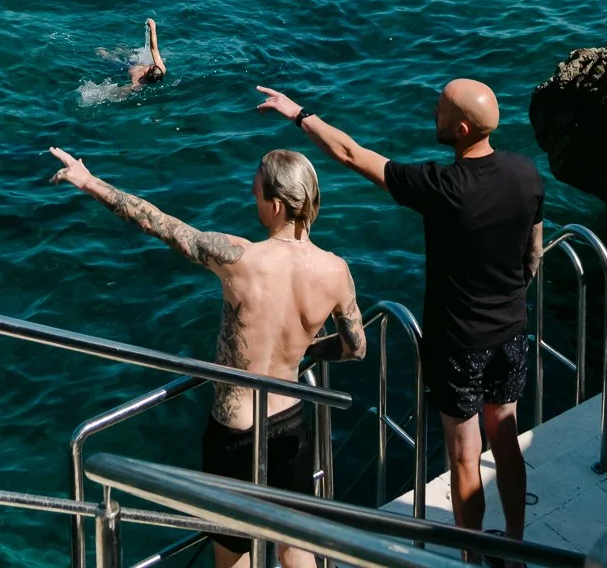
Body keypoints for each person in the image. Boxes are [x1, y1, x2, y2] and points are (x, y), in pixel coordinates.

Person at [49, 143, 365, 568]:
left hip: (234, 432)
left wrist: (89, 182)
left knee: (234, 552)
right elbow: (354, 347)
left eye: (255, 195)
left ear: (274, 205)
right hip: (290, 422)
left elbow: (158, 223)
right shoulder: (336, 270)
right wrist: (309, 347)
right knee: (295, 545)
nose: (252, 200)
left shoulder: (240, 258)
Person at [257, 80, 542, 544]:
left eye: (441, 111)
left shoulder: (442, 186)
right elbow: (533, 253)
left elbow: (351, 154)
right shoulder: (527, 174)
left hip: (458, 343)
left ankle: (472, 556)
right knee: (506, 439)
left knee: (466, 456)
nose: (434, 114)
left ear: (462, 128)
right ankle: (513, 545)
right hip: (511, 332)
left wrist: (298, 113)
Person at [129, 17, 167, 87]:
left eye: (151, 67)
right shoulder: (161, 69)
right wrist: (153, 27)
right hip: (137, 62)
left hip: (126, 65)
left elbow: (128, 89)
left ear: (149, 73)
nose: (152, 65)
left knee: (108, 55)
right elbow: (154, 49)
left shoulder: (138, 81)